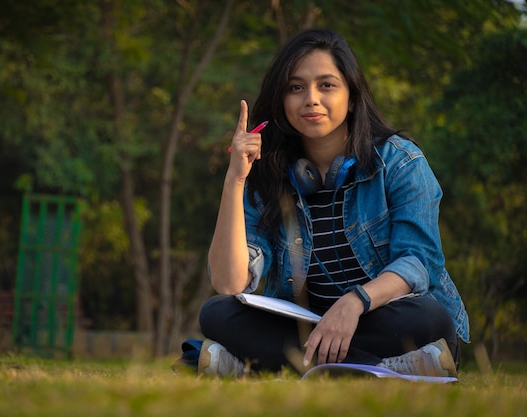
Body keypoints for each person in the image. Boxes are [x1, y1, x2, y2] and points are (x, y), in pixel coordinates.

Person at [197, 28, 469, 378]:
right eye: (296, 87)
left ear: (352, 97)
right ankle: (384, 369)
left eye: (326, 85)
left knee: (428, 316)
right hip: (304, 326)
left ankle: (267, 368)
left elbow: (419, 262)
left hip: (385, 316)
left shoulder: (401, 162)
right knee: (217, 313)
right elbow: (230, 282)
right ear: (282, 99)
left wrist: (354, 303)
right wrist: (235, 180)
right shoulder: (267, 173)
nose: (310, 98)